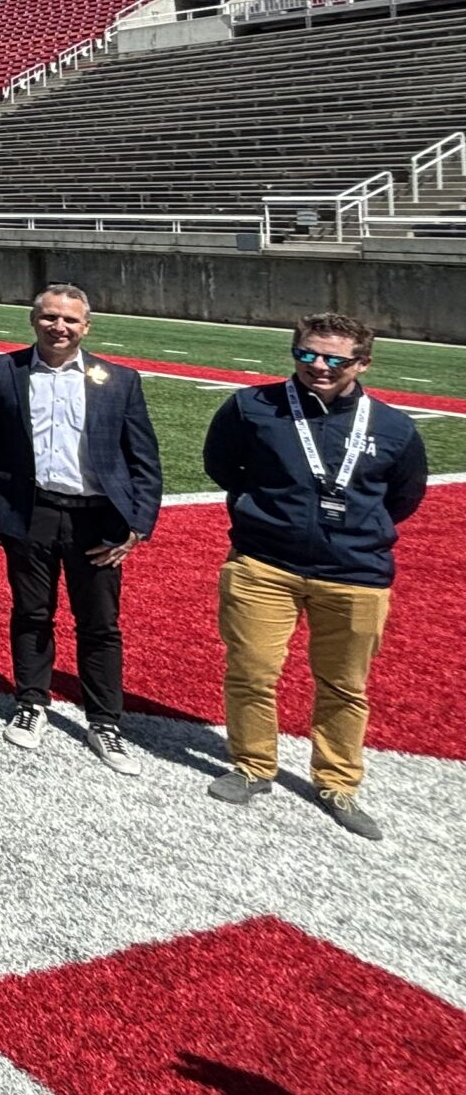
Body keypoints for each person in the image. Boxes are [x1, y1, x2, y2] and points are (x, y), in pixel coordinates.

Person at [202, 313, 429, 840]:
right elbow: (221, 466)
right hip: (263, 564)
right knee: (252, 671)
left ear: (362, 363)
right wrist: (266, 512)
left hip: (355, 574)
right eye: (307, 355)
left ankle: (337, 782)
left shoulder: (393, 426)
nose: (318, 367)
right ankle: (252, 766)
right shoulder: (251, 406)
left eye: (335, 359)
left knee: (345, 684)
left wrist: (350, 530)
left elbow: (403, 497)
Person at [0, 286, 165, 777]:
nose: (60, 327)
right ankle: (31, 701)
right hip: (30, 510)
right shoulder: (2, 370)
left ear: (87, 327)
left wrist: (139, 524)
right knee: (31, 612)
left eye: (70, 320)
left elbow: (144, 458)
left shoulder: (118, 380)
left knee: (100, 623)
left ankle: (105, 721)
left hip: (96, 517)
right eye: (50, 317)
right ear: (34, 321)